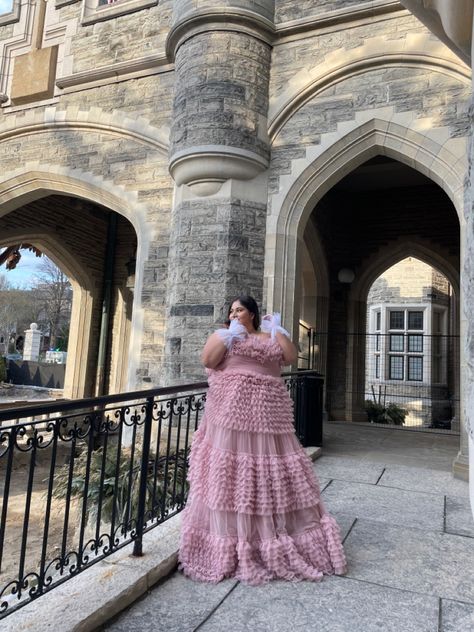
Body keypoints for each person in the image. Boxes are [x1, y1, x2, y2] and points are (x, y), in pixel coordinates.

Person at [178, 295, 346, 584]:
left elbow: (290, 358)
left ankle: (272, 537)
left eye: (240, 309)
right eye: (231, 310)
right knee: (233, 475)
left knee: (269, 473)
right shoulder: (223, 335)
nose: (235, 313)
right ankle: (234, 541)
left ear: (253, 313)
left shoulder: (269, 335)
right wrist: (230, 334)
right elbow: (208, 360)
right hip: (230, 414)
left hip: (268, 415)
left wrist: (277, 330)